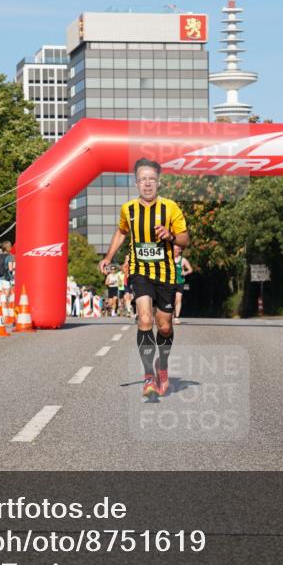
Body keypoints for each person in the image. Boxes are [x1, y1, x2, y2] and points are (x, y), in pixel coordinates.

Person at [98, 158, 189, 398]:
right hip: (140, 272)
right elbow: (121, 231)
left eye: (151, 179)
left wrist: (170, 235)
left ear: (158, 182)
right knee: (145, 320)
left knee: (165, 327)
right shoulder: (128, 209)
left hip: (166, 274)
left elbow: (185, 239)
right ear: (136, 183)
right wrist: (108, 257)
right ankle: (149, 375)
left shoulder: (170, 208)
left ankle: (163, 365)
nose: (147, 184)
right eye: (142, 179)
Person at [172, 245, 193, 324]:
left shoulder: (183, 260)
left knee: (178, 299)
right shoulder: (168, 259)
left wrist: (185, 272)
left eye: (177, 249)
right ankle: (170, 315)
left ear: (180, 250)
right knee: (171, 300)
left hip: (180, 282)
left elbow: (190, 269)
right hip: (170, 283)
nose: (175, 251)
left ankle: (176, 317)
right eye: (174, 249)